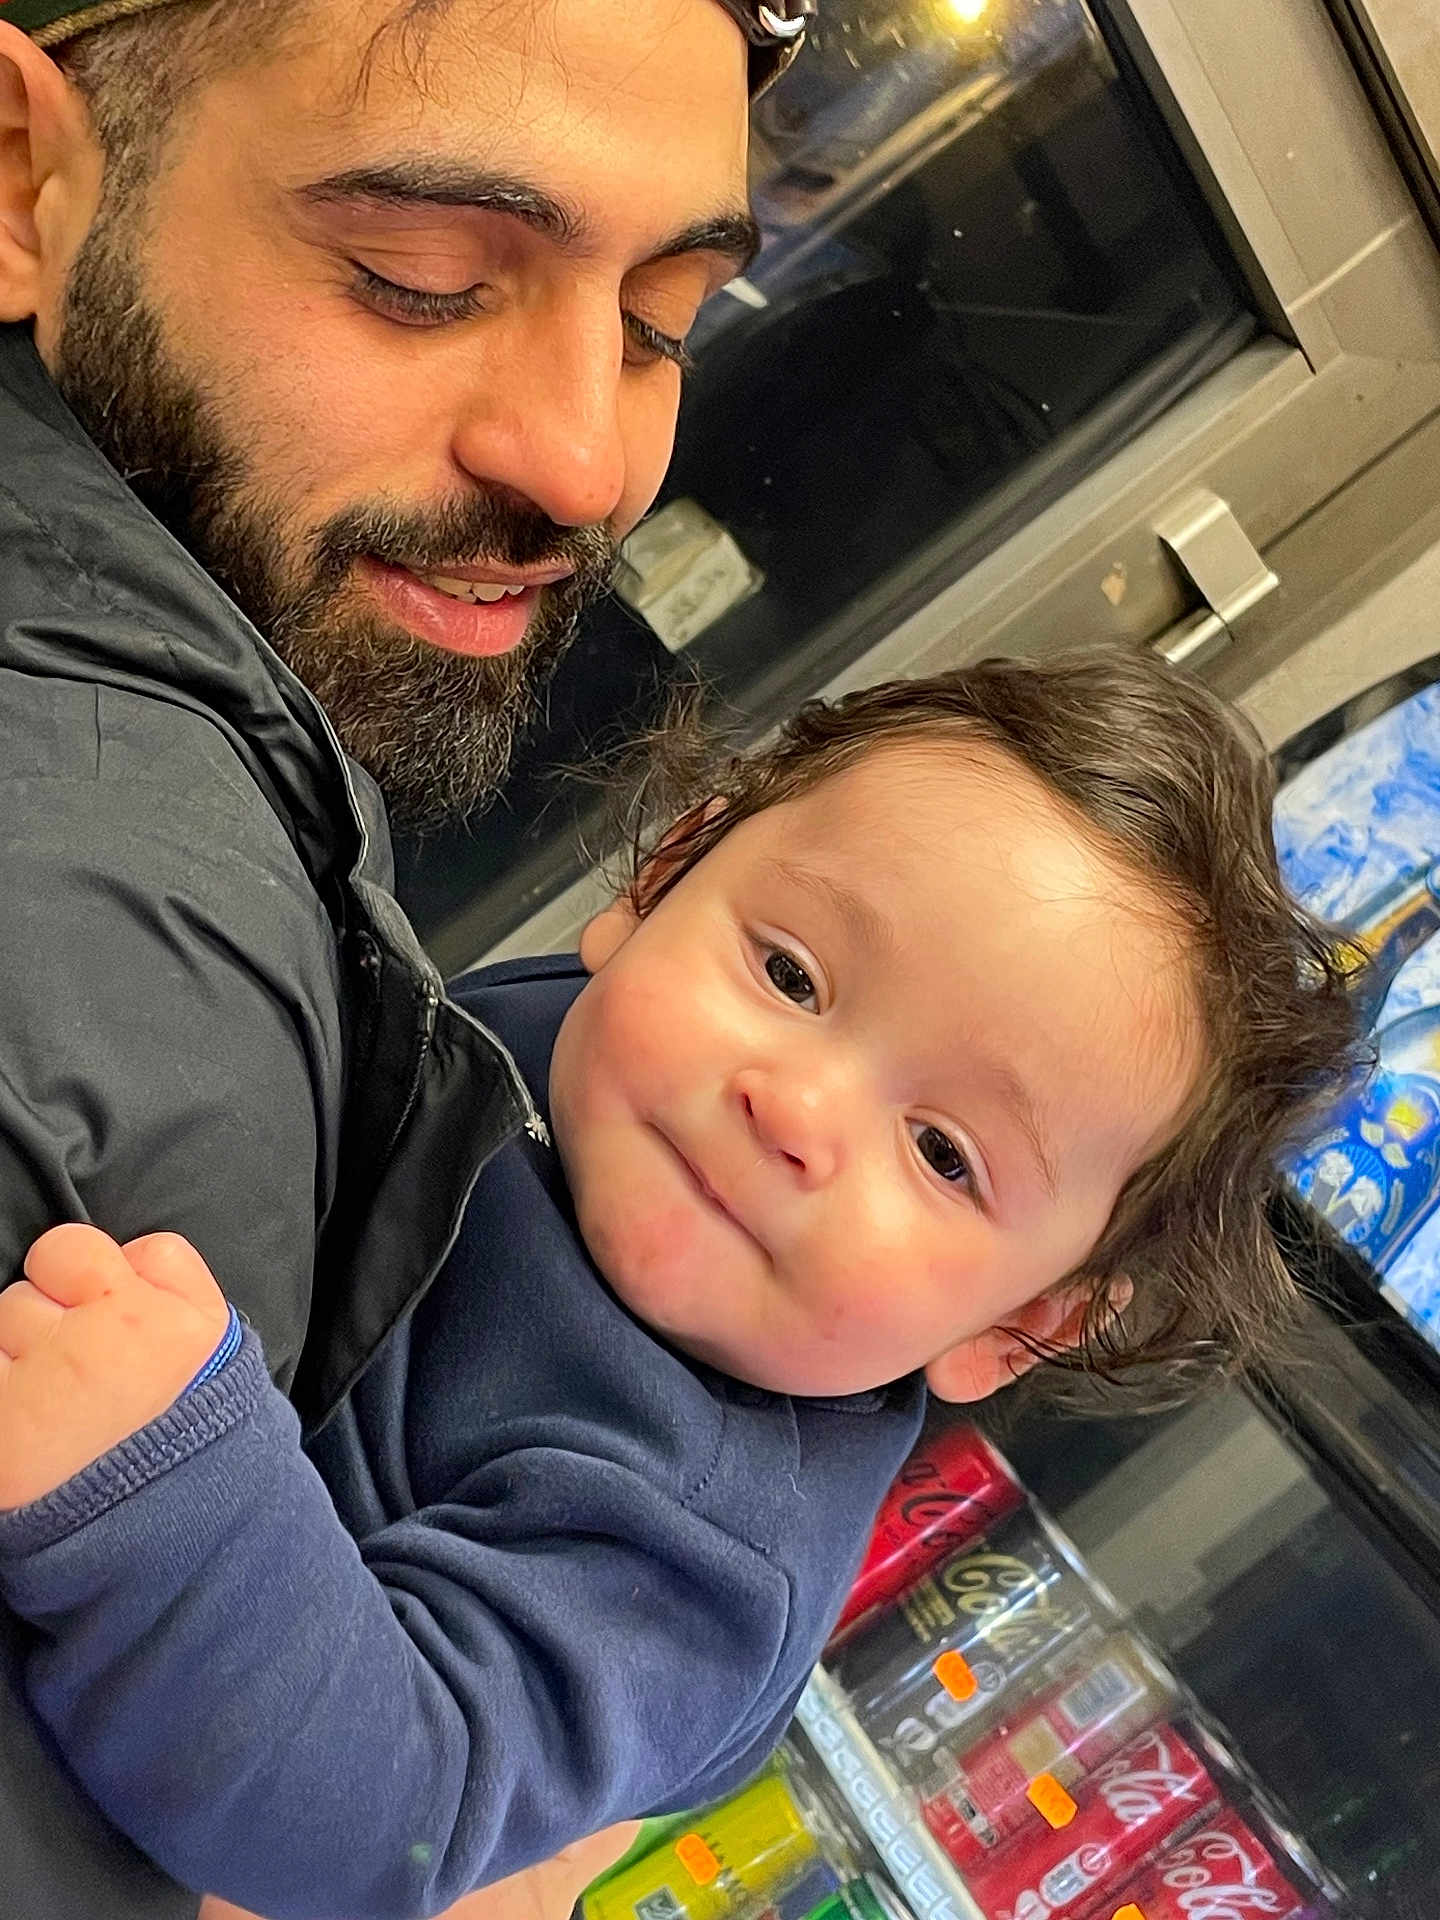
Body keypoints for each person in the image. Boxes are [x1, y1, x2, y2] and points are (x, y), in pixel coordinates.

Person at [0, 652, 1360, 1920]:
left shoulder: (704, 1549)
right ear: (665, 875)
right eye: (790, 973)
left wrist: (162, 1488)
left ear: (1023, 1325)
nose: (796, 1109)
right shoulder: (575, 1050)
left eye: (945, 1154)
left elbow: (379, 1809)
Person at [0, 0, 804, 1913]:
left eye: (662, 323)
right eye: (421, 277)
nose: (588, 459)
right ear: (24, 182)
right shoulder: (147, 964)